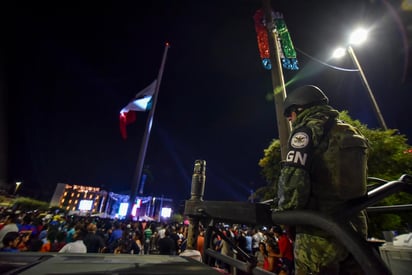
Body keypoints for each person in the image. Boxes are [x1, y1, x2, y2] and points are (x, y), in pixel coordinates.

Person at [276, 85, 369, 274]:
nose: (290, 119)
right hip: (354, 230)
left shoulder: (306, 132)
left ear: (300, 109)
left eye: (290, 114)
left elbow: (293, 183)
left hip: (319, 233)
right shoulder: (349, 130)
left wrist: (283, 213)